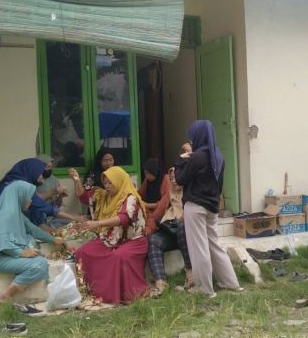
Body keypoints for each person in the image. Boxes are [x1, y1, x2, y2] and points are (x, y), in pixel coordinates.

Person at [175, 120, 242, 298]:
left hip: (195, 206)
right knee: (214, 245)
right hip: (212, 207)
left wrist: (180, 161)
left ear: (198, 136)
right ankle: (231, 283)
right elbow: (219, 185)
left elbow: (180, 179)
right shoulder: (218, 156)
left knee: (199, 248)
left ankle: (205, 289)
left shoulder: (197, 157)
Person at [0, 181, 65, 303]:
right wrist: (20, 253)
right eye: (29, 197)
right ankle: (5, 295)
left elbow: (32, 229)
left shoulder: (14, 212)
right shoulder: (8, 214)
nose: (30, 201)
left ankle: (10, 292)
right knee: (38, 264)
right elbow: (0, 240)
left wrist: (54, 239)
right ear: (20, 196)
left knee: (32, 246)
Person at [70, 166, 149, 304]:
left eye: (110, 183)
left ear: (119, 181)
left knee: (118, 256)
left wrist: (98, 223)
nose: (107, 186)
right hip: (110, 238)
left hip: (133, 241)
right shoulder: (104, 196)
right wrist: (76, 181)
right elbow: (84, 197)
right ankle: (93, 292)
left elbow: (124, 218)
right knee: (83, 252)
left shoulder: (130, 197)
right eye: (105, 183)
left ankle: (122, 295)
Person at [140, 158, 193, 297]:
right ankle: (160, 282)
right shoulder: (169, 194)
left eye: (177, 177)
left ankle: (190, 273)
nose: (174, 181)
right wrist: (148, 229)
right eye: (171, 178)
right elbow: (156, 215)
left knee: (182, 225)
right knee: (153, 240)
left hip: (189, 236)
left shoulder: (192, 193)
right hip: (172, 234)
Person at [32, 155, 87, 230]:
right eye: (47, 167)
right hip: (37, 216)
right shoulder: (32, 180)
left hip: (52, 215)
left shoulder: (53, 180)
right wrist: (53, 192)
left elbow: (56, 206)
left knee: (74, 222)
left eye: (51, 168)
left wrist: (60, 196)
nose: (49, 170)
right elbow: (36, 202)